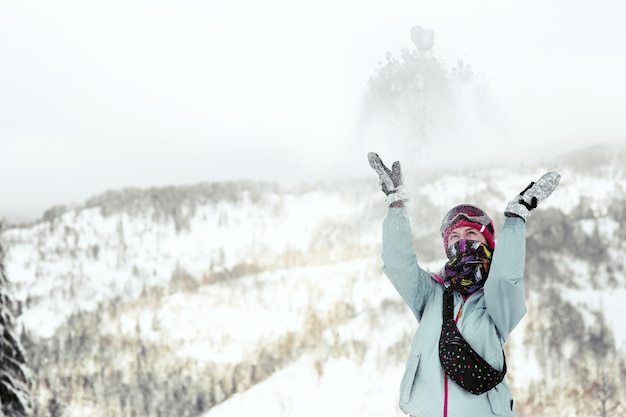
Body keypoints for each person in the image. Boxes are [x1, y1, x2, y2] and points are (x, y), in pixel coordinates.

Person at [367, 152, 561, 417]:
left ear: (489, 244)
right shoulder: (432, 293)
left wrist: (517, 218)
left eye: (471, 233)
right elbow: (399, 265)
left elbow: (504, 277)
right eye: (454, 236)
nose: (463, 241)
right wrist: (396, 207)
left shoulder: (496, 303)